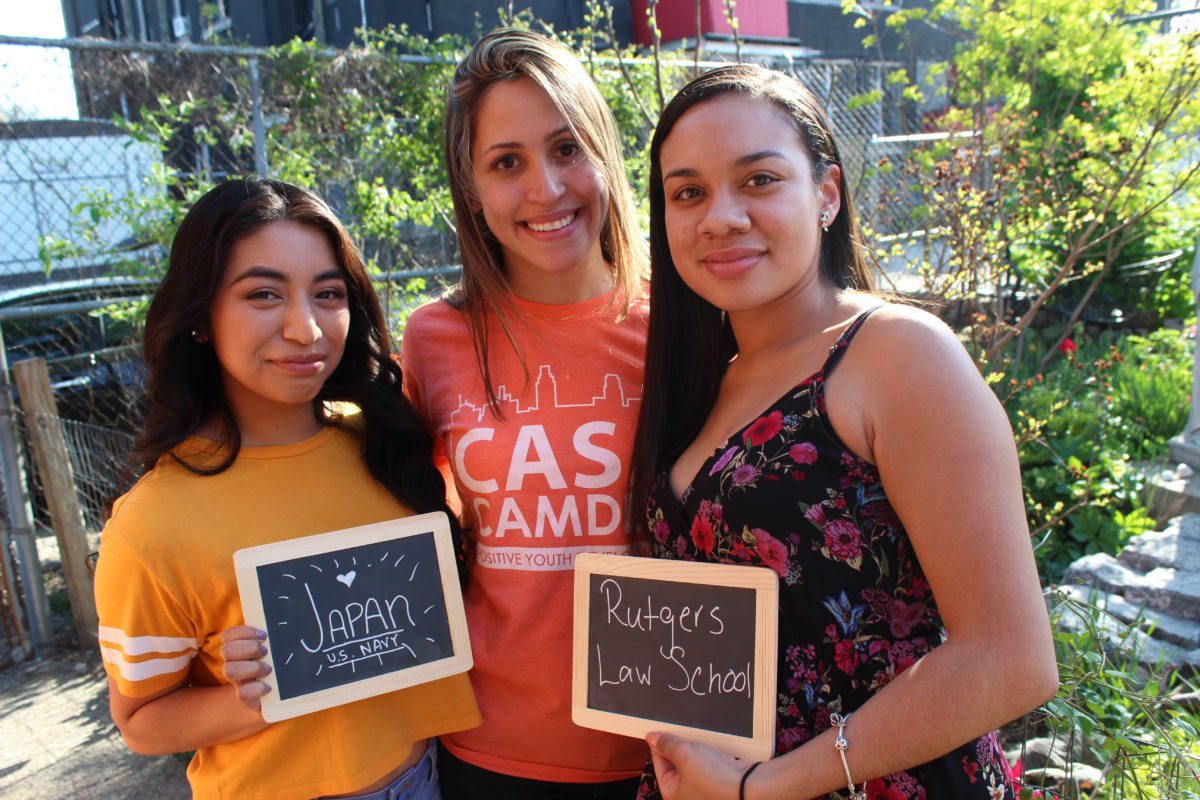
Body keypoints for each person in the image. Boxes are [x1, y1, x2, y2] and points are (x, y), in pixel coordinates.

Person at [629, 64, 1059, 800]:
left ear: (826, 193)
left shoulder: (897, 354)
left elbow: (1010, 659)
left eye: (758, 179)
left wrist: (764, 787)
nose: (719, 217)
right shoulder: (708, 376)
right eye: (687, 192)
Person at [94, 178, 480, 800]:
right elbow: (139, 721)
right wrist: (253, 696)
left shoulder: (383, 444)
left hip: (427, 776)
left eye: (328, 293)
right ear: (200, 317)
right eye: (263, 294)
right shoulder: (149, 525)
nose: (305, 329)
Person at [400, 28, 650, 798]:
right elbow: (406, 527)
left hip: (672, 739)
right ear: (471, 188)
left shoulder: (689, 325)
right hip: (492, 752)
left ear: (605, 154)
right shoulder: (434, 338)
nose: (545, 189)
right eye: (506, 162)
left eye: (567, 148)